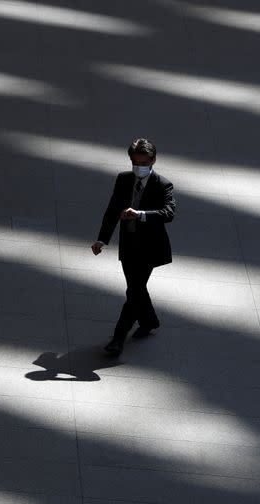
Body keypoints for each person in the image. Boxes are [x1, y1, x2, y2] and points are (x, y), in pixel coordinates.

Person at [91, 138, 176, 357]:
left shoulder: (163, 185)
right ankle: (149, 320)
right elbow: (112, 210)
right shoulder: (123, 180)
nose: (139, 168)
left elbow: (168, 214)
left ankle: (118, 338)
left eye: (144, 163)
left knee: (134, 290)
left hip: (150, 248)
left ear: (153, 160)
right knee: (136, 289)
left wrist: (140, 215)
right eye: (135, 163)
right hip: (128, 245)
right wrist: (102, 239)